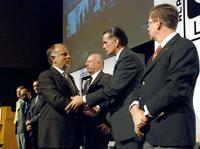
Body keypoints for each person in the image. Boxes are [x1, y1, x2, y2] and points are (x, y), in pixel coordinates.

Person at [130, 4, 199, 149]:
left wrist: (145, 114)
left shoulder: (183, 47)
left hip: (172, 138)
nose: (148, 28)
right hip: (151, 135)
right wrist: (135, 110)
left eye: (149, 23)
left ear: (158, 23)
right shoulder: (155, 56)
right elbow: (142, 86)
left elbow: (175, 89)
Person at [66, 27, 145, 149]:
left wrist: (84, 99)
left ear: (116, 42)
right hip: (121, 127)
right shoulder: (122, 58)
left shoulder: (128, 57)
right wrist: (97, 109)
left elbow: (114, 90)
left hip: (127, 125)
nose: (103, 47)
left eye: (105, 42)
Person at [38, 43, 83, 149]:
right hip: (55, 135)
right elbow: (56, 100)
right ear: (53, 58)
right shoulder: (46, 76)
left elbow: (75, 97)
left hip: (71, 134)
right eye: (64, 54)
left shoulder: (70, 78)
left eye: (68, 54)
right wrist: (83, 107)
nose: (69, 56)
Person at [82, 53, 113, 149]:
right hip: (87, 130)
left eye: (89, 62)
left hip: (100, 128)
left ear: (99, 63)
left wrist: (108, 124)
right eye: (86, 62)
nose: (86, 64)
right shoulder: (87, 83)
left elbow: (111, 101)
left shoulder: (107, 78)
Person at [26, 79, 40, 149]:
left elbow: (42, 113)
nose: (36, 87)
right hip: (32, 130)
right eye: (34, 86)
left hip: (40, 130)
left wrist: (31, 121)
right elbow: (29, 113)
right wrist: (28, 124)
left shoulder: (44, 98)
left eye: (37, 85)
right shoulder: (33, 100)